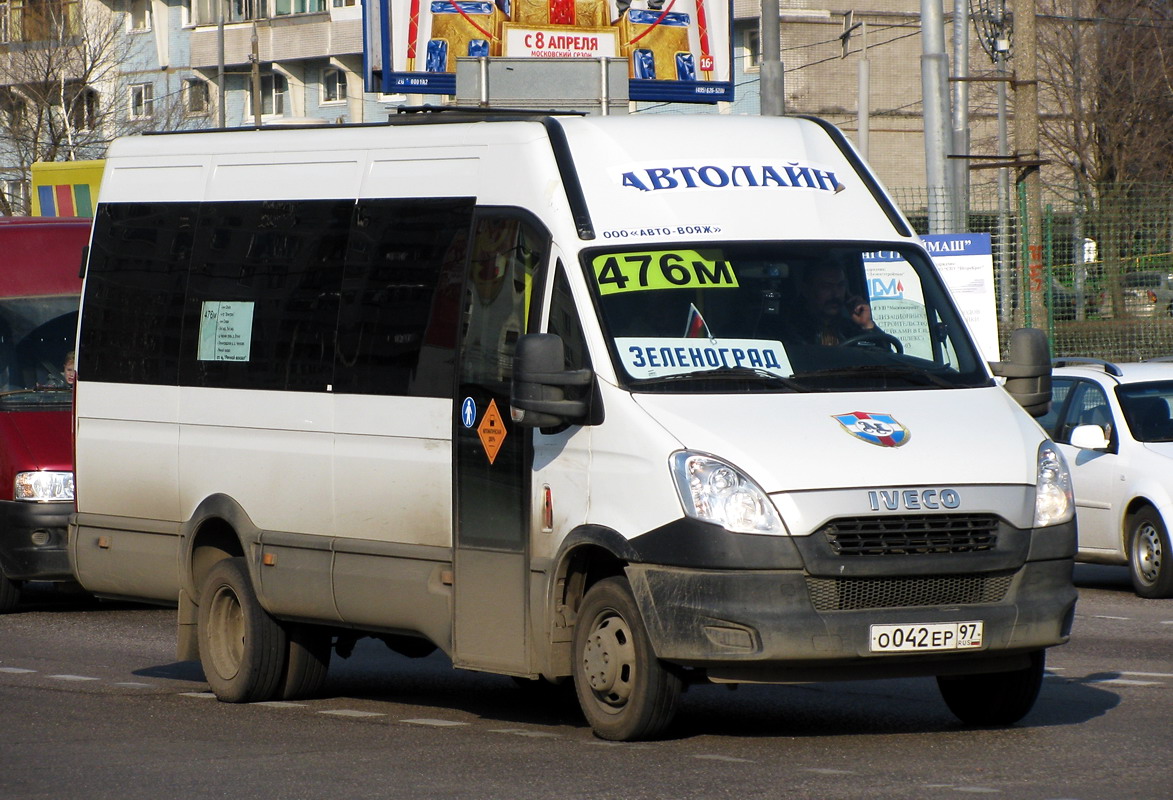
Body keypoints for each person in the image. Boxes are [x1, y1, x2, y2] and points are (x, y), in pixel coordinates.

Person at [786, 262, 879, 346]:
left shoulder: (850, 328)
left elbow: (884, 354)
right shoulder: (791, 330)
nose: (836, 294)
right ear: (806, 291)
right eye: (826, 287)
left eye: (840, 286)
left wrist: (867, 325)